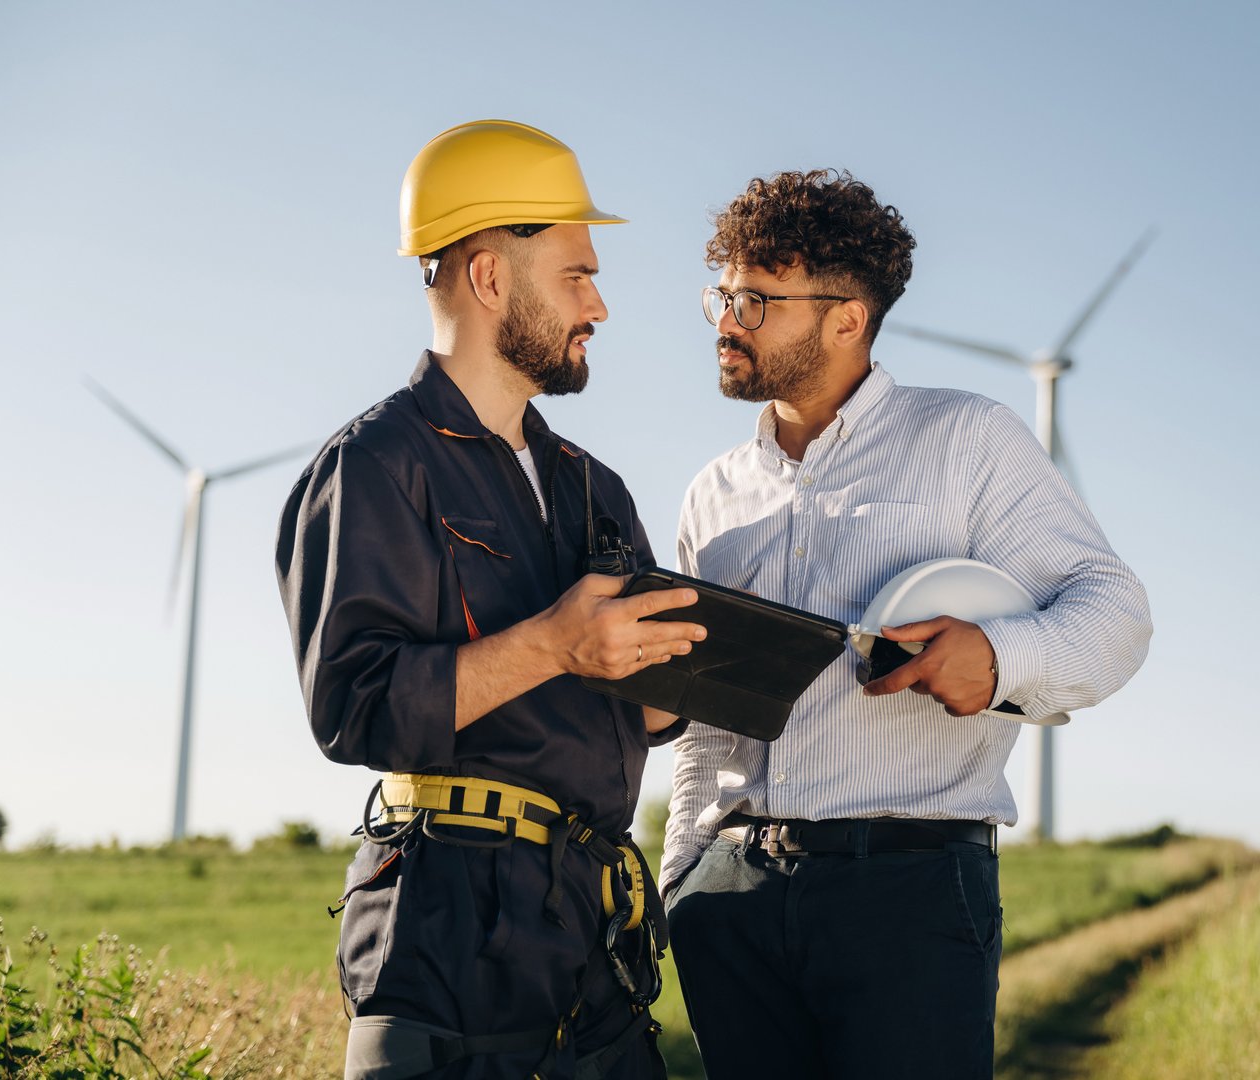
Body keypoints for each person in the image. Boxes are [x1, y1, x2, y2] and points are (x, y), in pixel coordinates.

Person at [661, 169, 1153, 1079]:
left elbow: (1115, 608)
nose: (726, 319)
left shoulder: (970, 440)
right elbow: (704, 720)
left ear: (846, 317)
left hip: (909, 893)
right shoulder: (711, 492)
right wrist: (683, 878)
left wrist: (1001, 658)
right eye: (722, 295)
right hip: (730, 900)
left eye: (755, 299)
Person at [275, 120, 705, 1080]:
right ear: (488, 277)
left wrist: (712, 664)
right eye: (577, 275)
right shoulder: (377, 465)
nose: (601, 303)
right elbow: (356, 708)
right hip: (446, 927)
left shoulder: (597, 488)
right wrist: (554, 644)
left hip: (596, 942)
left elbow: (638, 712)